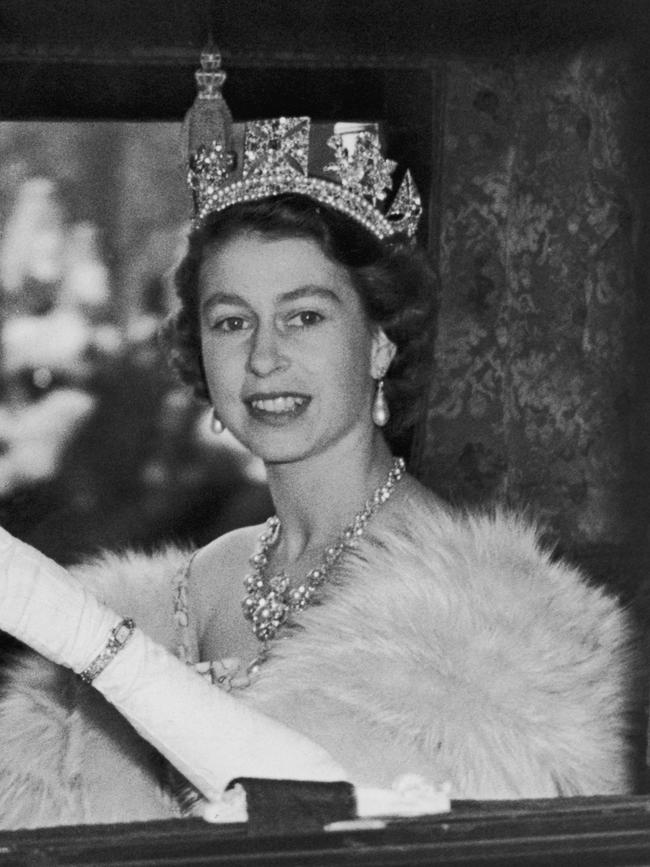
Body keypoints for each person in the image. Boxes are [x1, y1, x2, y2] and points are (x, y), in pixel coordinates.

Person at [0, 112, 643, 830]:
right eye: (232, 321)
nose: (265, 357)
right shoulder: (186, 588)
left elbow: (334, 826)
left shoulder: (498, 618)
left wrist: (77, 628)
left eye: (304, 317)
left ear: (378, 344)